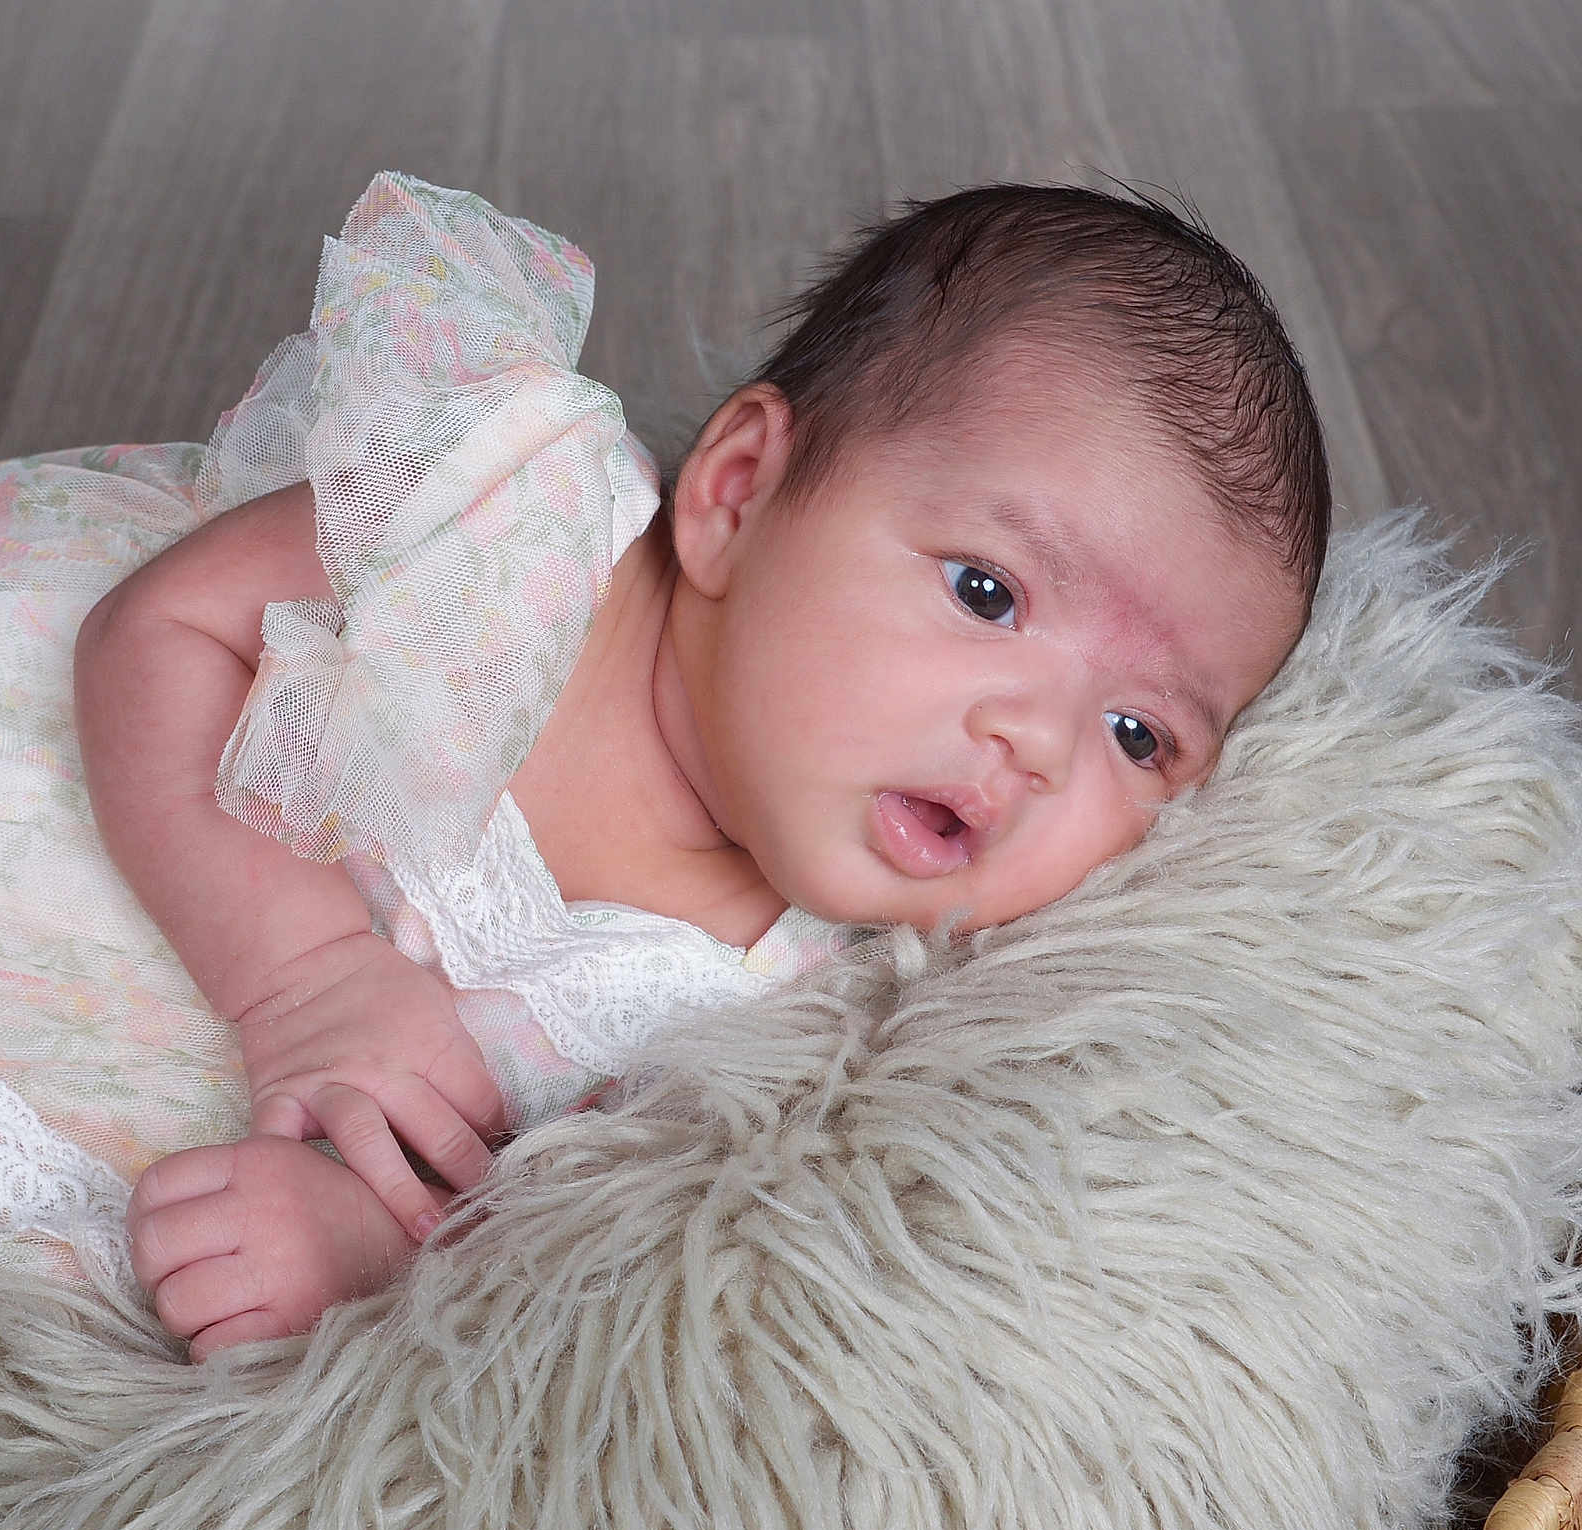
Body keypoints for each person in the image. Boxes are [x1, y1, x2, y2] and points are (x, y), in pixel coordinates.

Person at [73, 172, 1329, 1361]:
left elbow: (603, 1264)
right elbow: (165, 628)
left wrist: (375, 1255)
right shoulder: (524, 537)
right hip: (41, 824)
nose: (1042, 744)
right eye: (989, 594)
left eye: (1138, 735)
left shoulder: (833, 1021)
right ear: (734, 495)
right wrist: (302, 979)